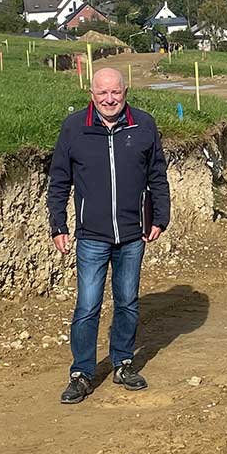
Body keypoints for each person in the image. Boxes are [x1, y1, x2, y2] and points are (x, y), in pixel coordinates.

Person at [46, 67, 171, 404]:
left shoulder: (143, 125)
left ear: (125, 91)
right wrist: (58, 225)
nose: (109, 99)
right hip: (91, 236)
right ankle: (82, 373)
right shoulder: (75, 128)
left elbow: (157, 174)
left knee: (127, 302)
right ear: (92, 94)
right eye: (102, 93)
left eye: (115, 92)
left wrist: (161, 216)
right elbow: (59, 180)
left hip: (133, 235)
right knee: (88, 305)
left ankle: (123, 362)